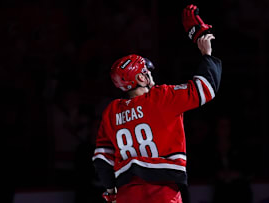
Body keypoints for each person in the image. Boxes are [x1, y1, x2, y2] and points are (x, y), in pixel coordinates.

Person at [92, 4, 222, 203]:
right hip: (163, 191)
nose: (151, 76)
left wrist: (110, 191)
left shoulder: (111, 111)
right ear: (141, 78)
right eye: (147, 72)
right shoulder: (161, 97)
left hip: (127, 193)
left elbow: (102, 159)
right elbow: (206, 88)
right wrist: (206, 53)